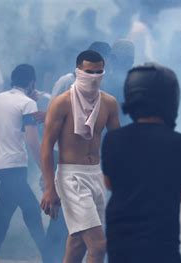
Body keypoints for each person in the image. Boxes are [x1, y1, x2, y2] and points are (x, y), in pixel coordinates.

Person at [101, 63, 181, 263]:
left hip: (120, 243)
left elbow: (110, 184)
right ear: (171, 99)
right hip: (162, 243)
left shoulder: (113, 140)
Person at [40, 50, 120, 263]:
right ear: (77, 72)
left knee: (77, 244)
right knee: (98, 246)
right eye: (88, 72)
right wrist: (49, 188)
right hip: (71, 177)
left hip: (97, 175)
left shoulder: (109, 103)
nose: (94, 76)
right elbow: (46, 146)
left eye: (99, 72)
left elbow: (117, 144)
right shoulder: (62, 103)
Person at [0, 64, 48, 263]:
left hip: (0, 165)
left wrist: (30, 100)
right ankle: (50, 257)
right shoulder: (27, 104)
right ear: (32, 83)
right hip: (15, 166)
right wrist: (45, 169)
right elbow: (31, 140)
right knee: (31, 211)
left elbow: (12, 119)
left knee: (2, 218)